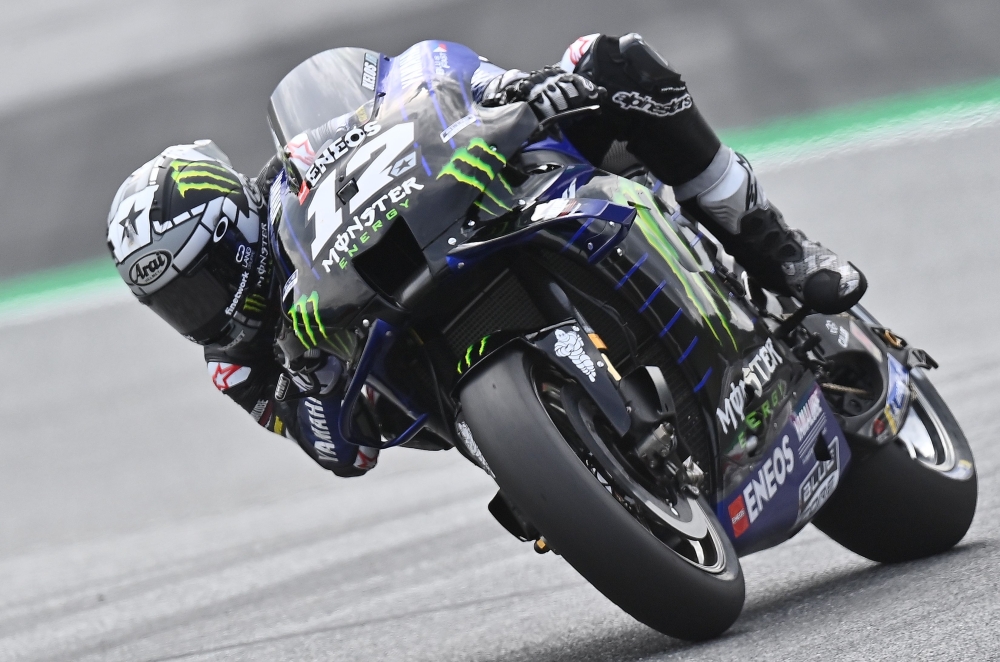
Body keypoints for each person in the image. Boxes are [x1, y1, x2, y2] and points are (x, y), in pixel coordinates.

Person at [105, 34, 866, 478]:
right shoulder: (237, 362)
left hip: (467, 220)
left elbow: (405, 88)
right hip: (437, 387)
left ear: (235, 229)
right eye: (174, 303)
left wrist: (510, 92)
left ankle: (773, 246)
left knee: (611, 60)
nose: (198, 312)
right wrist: (309, 374)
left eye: (200, 284)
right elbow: (343, 457)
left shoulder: (295, 176)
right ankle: (574, 470)